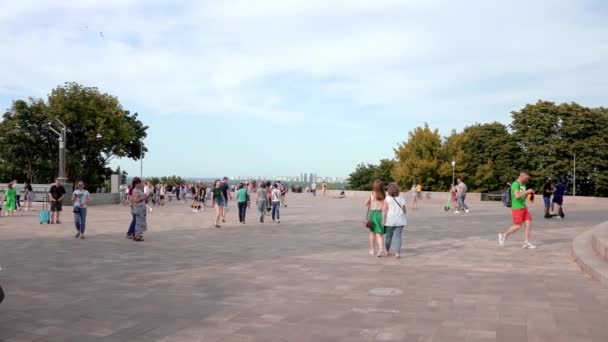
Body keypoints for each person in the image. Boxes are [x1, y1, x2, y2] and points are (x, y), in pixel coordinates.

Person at [498, 170, 536, 249]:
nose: (527, 180)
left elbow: (523, 195)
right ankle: (503, 235)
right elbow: (517, 196)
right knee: (518, 226)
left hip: (523, 207)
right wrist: (527, 191)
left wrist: (530, 196)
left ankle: (526, 242)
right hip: (517, 208)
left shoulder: (523, 184)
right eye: (526, 178)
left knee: (528, 223)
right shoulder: (515, 184)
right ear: (522, 175)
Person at [365, 180, 388, 257]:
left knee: (372, 233)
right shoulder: (385, 195)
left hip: (372, 214)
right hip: (380, 215)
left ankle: (372, 250)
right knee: (379, 234)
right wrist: (384, 219)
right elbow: (385, 209)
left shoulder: (372, 194)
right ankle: (381, 249)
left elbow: (366, 204)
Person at [384, 182, 407, 258]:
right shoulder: (401, 198)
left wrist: (383, 219)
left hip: (390, 220)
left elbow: (385, 209)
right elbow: (404, 209)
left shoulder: (387, 198)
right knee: (398, 237)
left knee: (388, 237)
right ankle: (397, 253)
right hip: (400, 220)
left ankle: (387, 251)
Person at [130, 177, 148, 241]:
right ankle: (137, 236)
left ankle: (139, 235)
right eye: (139, 183)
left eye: (140, 183)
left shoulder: (139, 190)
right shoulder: (135, 190)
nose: (140, 184)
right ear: (136, 184)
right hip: (138, 209)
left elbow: (142, 198)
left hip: (141, 209)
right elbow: (135, 200)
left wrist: (146, 196)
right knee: (138, 222)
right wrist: (142, 198)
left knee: (141, 222)